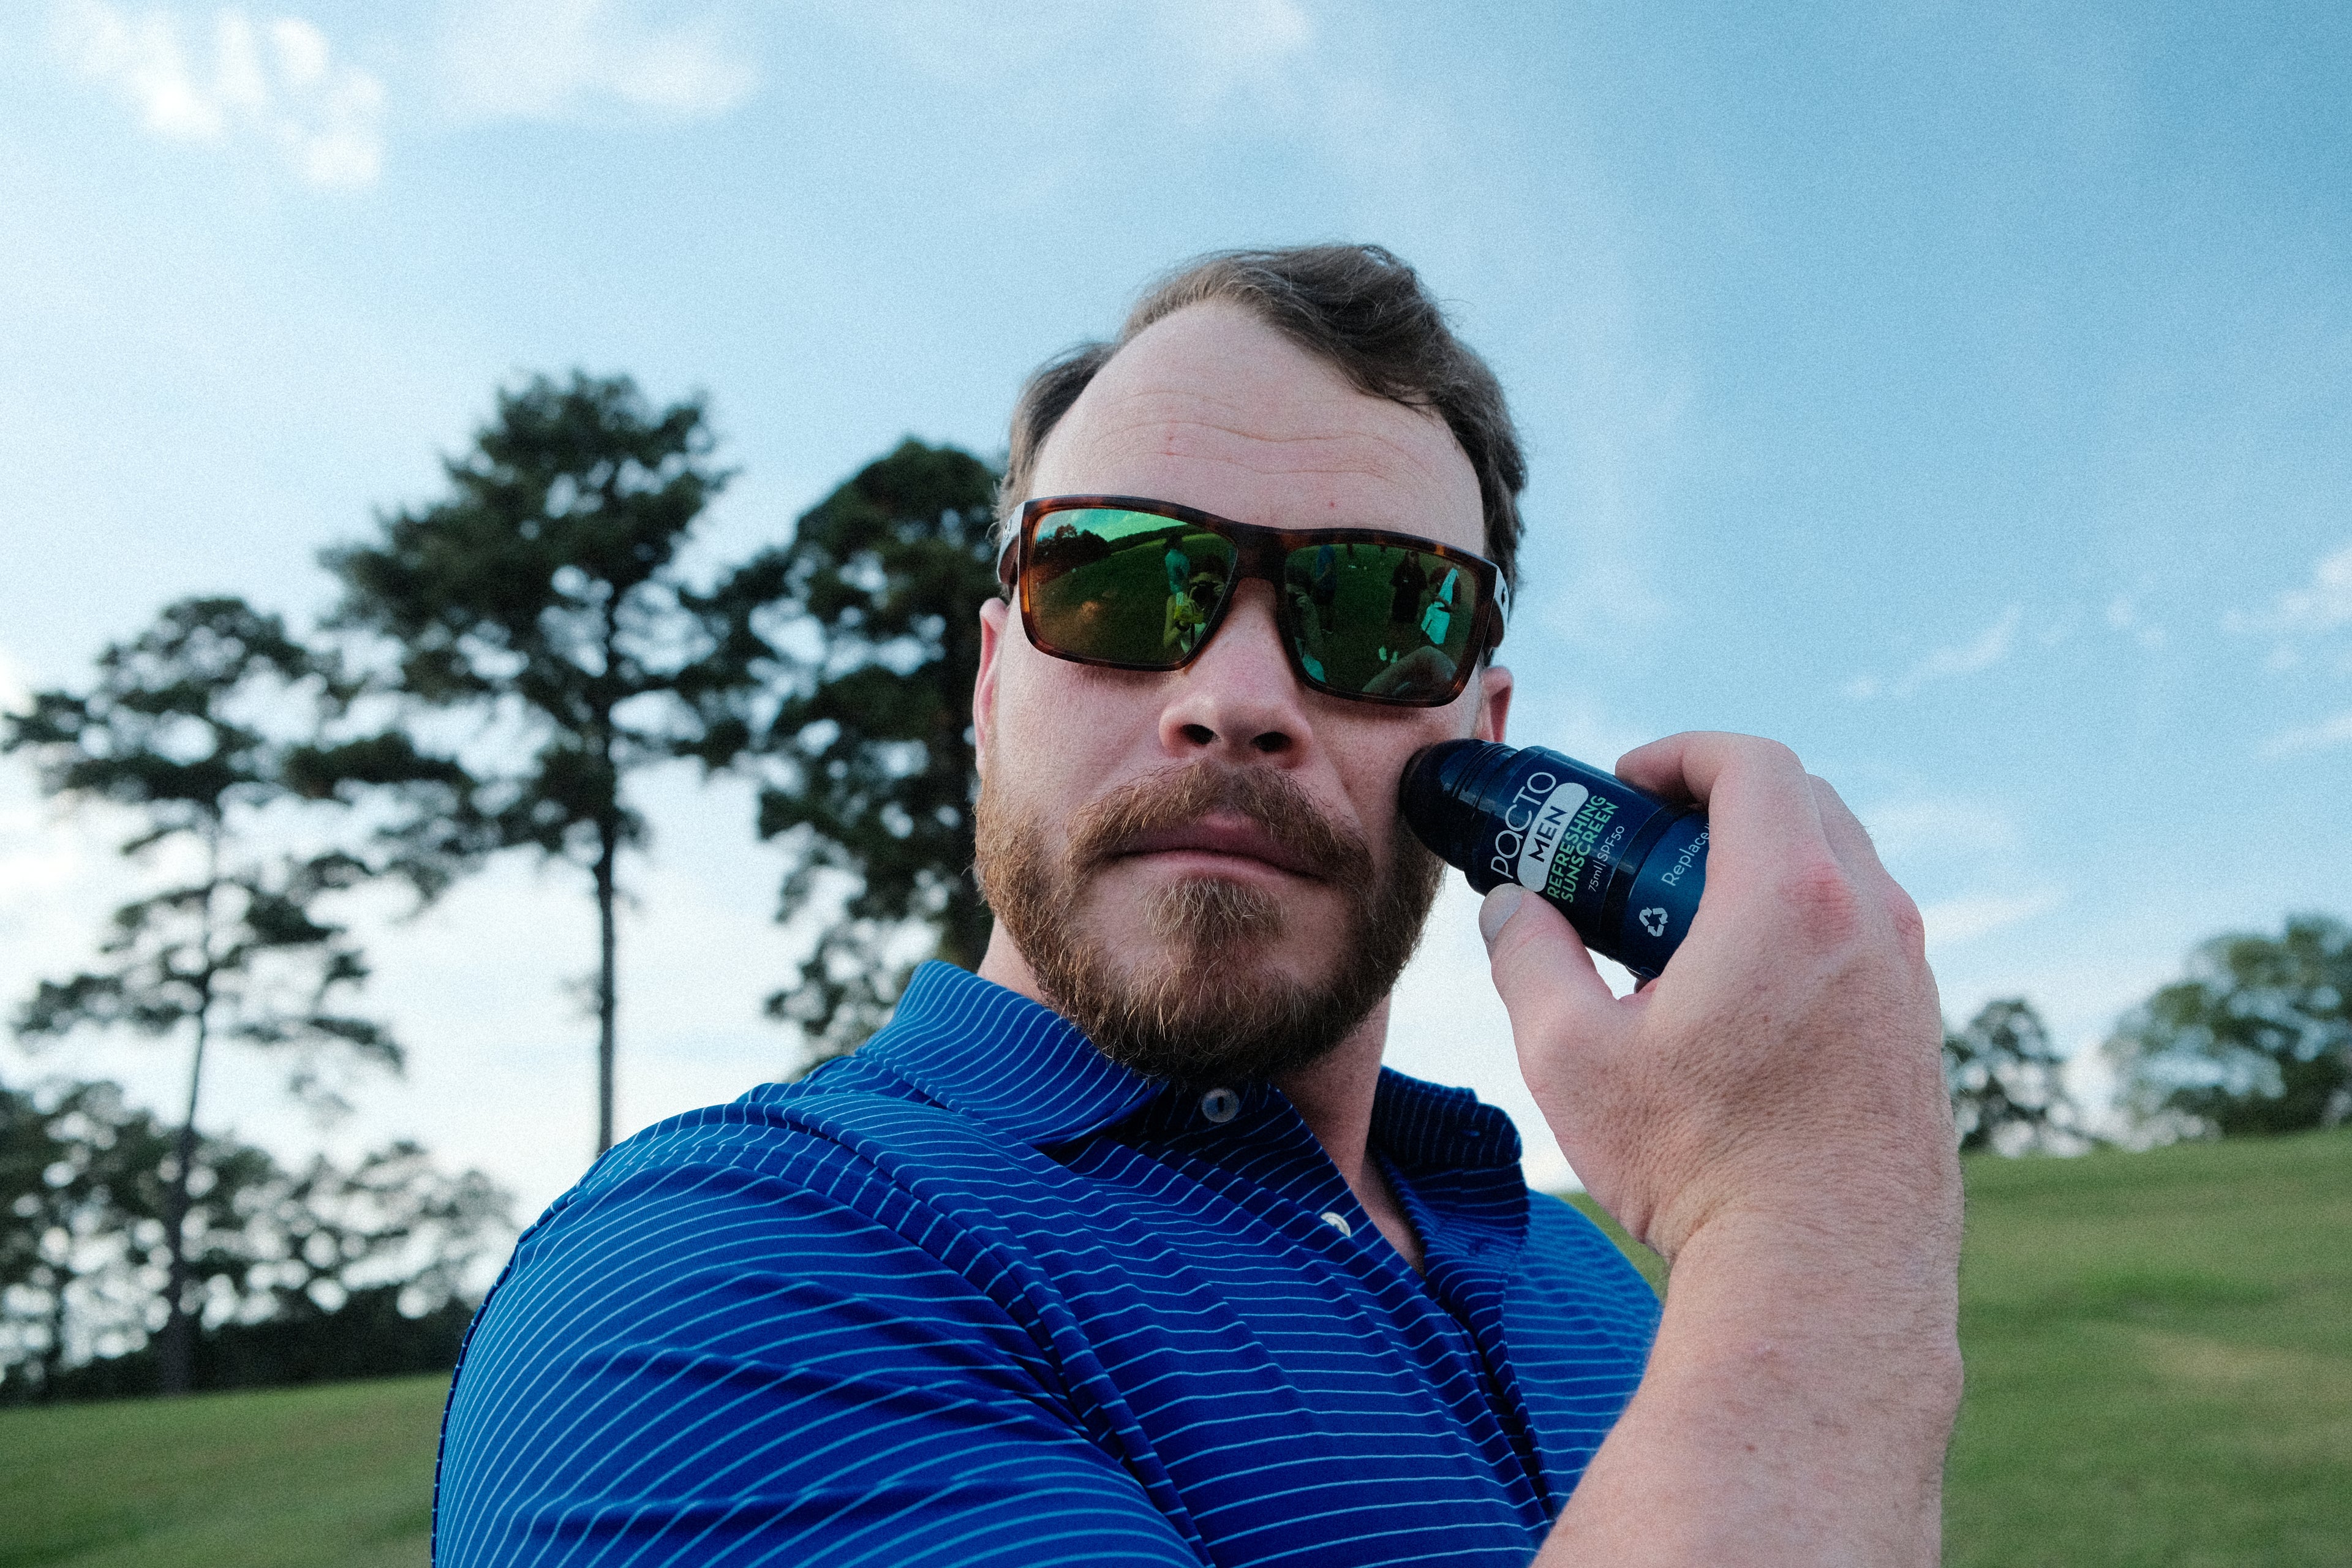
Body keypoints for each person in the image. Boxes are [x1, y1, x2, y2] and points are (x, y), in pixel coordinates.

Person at [433, 246, 1962, 1566]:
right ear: (989, 681)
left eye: (1376, 612)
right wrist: (1815, 1230)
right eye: (1115, 581)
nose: (1233, 700)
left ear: (1483, 739)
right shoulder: (708, 1284)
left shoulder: (1582, 1269)